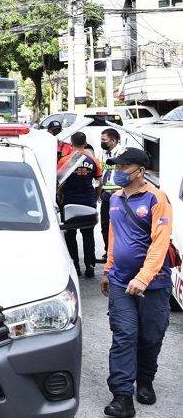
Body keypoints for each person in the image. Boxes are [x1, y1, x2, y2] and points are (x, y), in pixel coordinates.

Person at [100, 148, 173, 418]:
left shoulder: (157, 198)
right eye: (117, 167)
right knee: (124, 335)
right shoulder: (115, 198)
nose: (119, 172)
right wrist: (108, 269)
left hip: (153, 283)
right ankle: (122, 396)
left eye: (125, 167)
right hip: (120, 281)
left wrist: (143, 277)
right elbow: (113, 235)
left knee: (150, 335)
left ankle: (145, 380)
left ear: (141, 171)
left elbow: (160, 242)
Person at [57, 131, 102, 277]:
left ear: (71, 142)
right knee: (88, 233)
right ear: (85, 142)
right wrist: (96, 197)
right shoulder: (93, 160)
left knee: (70, 233)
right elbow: (99, 182)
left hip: (69, 200)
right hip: (88, 199)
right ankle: (90, 266)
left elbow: (59, 182)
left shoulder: (65, 160)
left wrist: (59, 197)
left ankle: (75, 266)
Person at [99, 128, 126, 263]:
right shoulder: (105, 153)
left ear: (114, 140)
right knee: (104, 224)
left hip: (118, 193)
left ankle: (117, 253)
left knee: (117, 224)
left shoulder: (122, 153)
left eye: (104, 140)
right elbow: (104, 170)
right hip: (106, 193)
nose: (102, 142)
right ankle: (107, 251)